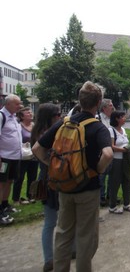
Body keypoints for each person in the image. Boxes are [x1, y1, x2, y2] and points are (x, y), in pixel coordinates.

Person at [32, 81, 113, 272]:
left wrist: (52, 167)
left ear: (80, 100)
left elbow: (37, 148)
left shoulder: (64, 123)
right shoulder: (97, 127)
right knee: (86, 237)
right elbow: (108, 154)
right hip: (88, 189)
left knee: (63, 233)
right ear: (98, 102)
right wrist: (97, 170)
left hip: (64, 187)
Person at [30, 103, 67, 272]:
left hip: (50, 176)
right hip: (51, 178)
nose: (59, 117)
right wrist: (49, 164)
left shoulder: (39, 131)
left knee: (57, 220)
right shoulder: (45, 133)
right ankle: (50, 258)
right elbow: (40, 152)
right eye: (57, 114)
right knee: (55, 220)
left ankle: (52, 257)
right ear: (49, 116)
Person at [108, 111, 130, 214]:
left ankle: (126, 204)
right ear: (117, 118)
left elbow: (126, 142)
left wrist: (129, 149)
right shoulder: (111, 130)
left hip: (125, 160)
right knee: (114, 182)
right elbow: (111, 146)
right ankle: (112, 206)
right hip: (116, 160)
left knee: (127, 181)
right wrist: (123, 150)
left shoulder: (123, 129)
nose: (125, 118)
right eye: (123, 117)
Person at [0, 94, 23, 225]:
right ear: (8, 104)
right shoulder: (1, 116)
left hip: (14, 156)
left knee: (9, 181)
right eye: (17, 104)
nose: (19, 106)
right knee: (1, 183)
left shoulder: (14, 117)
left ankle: (5, 204)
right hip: (4, 157)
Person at [12, 107, 39, 205]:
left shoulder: (34, 126)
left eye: (31, 112)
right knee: (19, 177)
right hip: (22, 156)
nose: (30, 114)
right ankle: (16, 199)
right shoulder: (19, 126)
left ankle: (31, 196)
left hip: (33, 155)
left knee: (32, 177)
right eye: (27, 113)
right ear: (22, 116)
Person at [97, 99, 114, 207]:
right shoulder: (98, 119)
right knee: (102, 175)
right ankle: (101, 197)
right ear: (104, 108)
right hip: (102, 151)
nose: (112, 107)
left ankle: (110, 195)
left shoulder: (111, 119)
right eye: (110, 105)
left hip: (111, 150)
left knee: (111, 175)